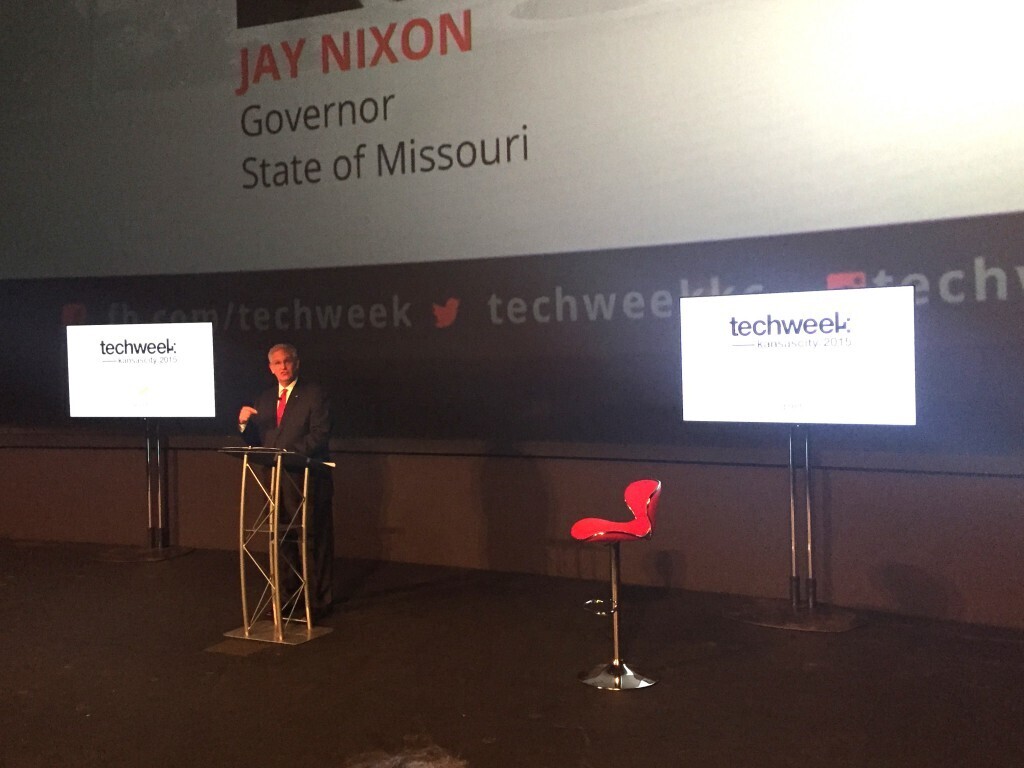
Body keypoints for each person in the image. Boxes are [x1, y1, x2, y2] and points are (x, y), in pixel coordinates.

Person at [238, 343, 334, 619]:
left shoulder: (314, 394)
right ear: (270, 368)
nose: (283, 367)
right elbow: (257, 442)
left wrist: (287, 455)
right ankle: (287, 600)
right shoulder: (265, 399)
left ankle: (317, 602)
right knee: (281, 540)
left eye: (287, 361)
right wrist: (244, 424)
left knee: (312, 539)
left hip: (306, 478)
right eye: (277, 363)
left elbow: (319, 435)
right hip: (274, 481)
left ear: (296, 363)